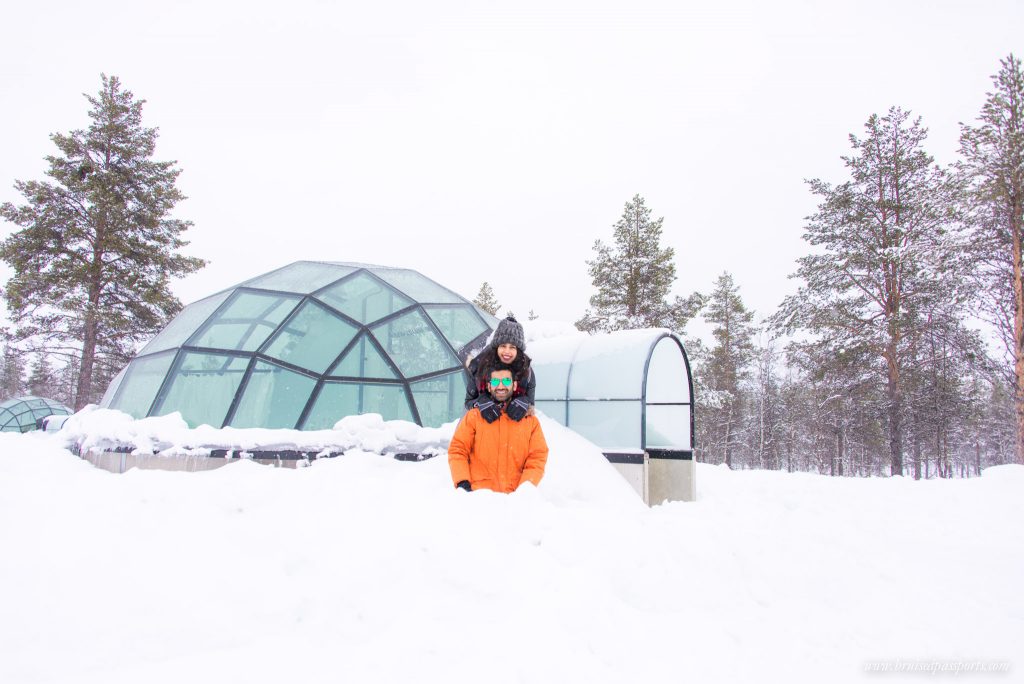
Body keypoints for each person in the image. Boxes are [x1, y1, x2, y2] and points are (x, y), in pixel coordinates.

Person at [448, 363, 548, 493]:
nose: (501, 386)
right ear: (489, 386)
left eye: (506, 380)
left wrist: (526, 488)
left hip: (515, 500)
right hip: (479, 498)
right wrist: (462, 481)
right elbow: (458, 450)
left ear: (515, 385)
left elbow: (537, 457)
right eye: (495, 381)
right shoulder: (474, 417)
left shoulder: (529, 421)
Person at [464, 315, 536, 422]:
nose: (507, 351)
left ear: (519, 350)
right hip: (481, 425)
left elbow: (530, 404)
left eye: (512, 347)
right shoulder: (479, 367)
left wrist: (524, 402)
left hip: (512, 427)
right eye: (503, 346)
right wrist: (480, 402)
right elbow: (468, 402)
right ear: (496, 347)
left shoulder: (526, 371)